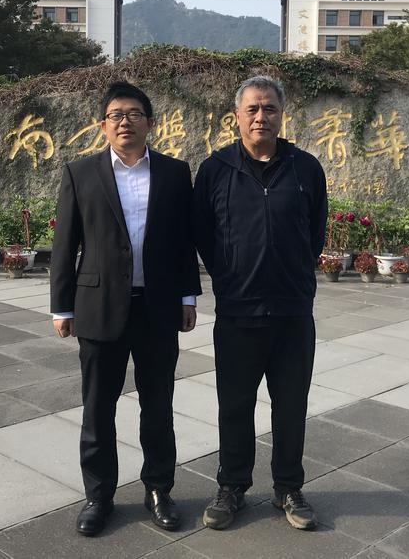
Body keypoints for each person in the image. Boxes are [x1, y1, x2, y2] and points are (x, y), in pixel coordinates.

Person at [51, 81, 201, 537]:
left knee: (158, 408)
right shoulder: (81, 173)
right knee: (98, 409)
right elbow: (65, 244)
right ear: (103, 125)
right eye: (116, 115)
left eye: (134, 114)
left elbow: (184, 240)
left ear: (150, 123)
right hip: (98, 308)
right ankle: (99, 496)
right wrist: (62, 306)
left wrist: (188, 296)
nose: (125, 122)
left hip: (158, 308)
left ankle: (159, 490)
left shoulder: (174, 173)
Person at [194, 74, 327, 531]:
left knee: (290, 406)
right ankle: (231, 486)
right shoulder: (215, 170)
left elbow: (314, 233)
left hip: (292, 313)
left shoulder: (305, 168)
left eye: (269, 108)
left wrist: (294, 277)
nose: (260, 117)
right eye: (252, 108)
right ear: (236, 116)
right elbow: (203, 236)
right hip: (238, 313)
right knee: (234, 405)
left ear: (281, 115)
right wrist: (230, 276)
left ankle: (289, 488)